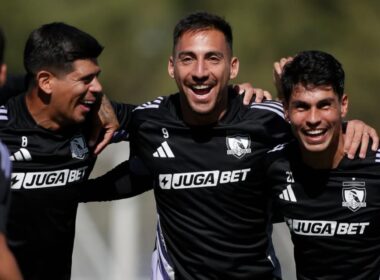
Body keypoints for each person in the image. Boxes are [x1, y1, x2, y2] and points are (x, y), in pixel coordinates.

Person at [84, 12, 377, 279]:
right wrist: (71, 191)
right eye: (188, 59)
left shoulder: (267, 118)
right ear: (172, 67)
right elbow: (93, 116)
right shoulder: (148, 119)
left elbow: (314, 123)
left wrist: (352, 128)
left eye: (213, 58)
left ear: (232, 66)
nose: (200, 72)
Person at [1, 22, 129, 280]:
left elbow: (166, 125)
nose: (98, 88)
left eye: (97, 76)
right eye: (86, 79)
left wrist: (234, 98)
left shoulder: (95, 119)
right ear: (46, 82)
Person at [267, 50, 380, 279]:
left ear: (343, 105)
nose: (313, 119)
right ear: (286, 110)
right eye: (301, 107)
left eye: (324, 105)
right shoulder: (274, 167)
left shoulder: (374, 166)